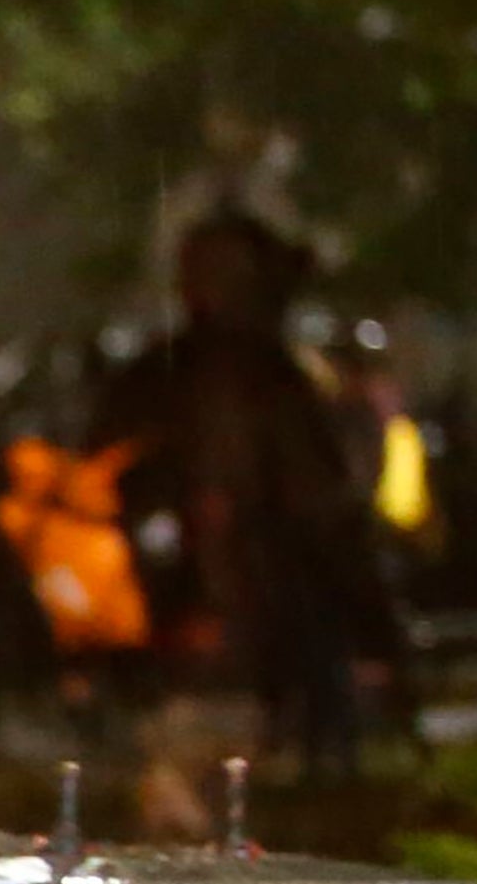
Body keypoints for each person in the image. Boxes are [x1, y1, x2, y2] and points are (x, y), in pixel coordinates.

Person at [92, 211, 403, 829]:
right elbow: (319, 510)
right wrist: (370, 626)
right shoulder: (263, 381)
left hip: (162, 635)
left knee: (180, 805)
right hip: (234, 636)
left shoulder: (153, 375)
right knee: (209, 813)